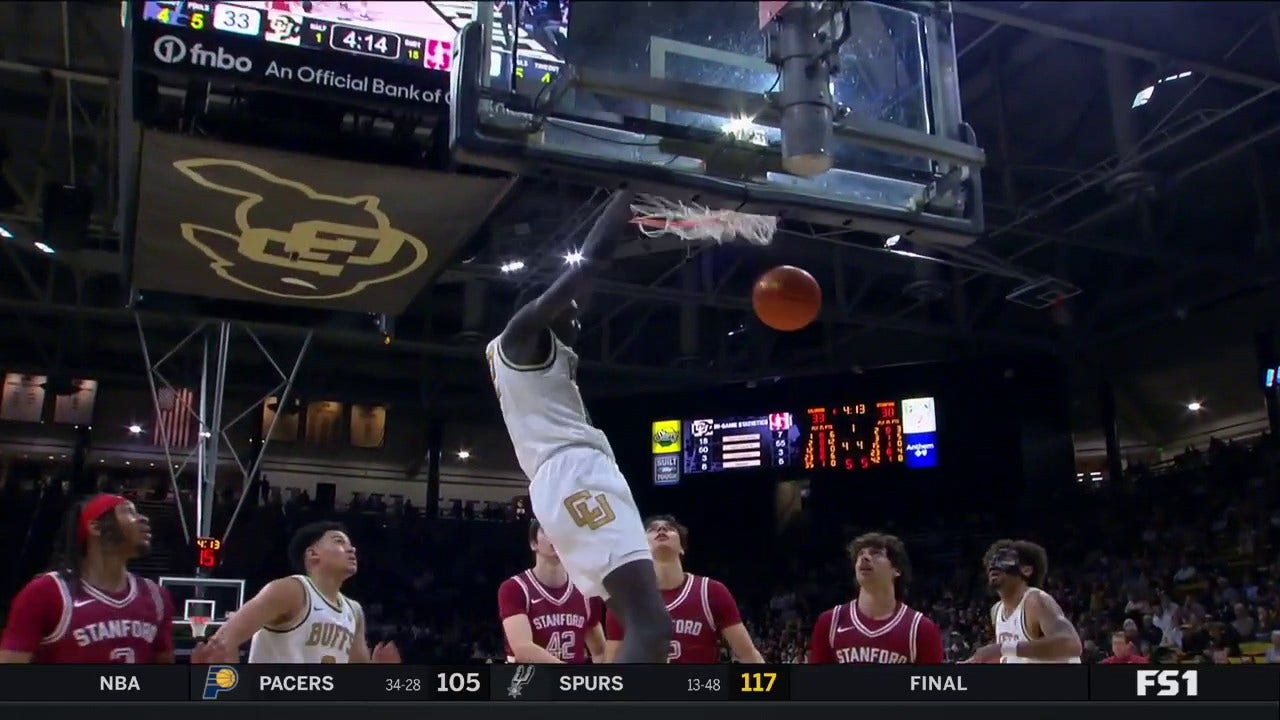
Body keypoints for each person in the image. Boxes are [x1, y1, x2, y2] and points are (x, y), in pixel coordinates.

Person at [486, 189, 672, 663]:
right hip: (575, 476)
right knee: (651, 626)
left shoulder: (533, 354)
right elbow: (584, 271)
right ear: (542, 312)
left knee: (642, 625)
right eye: (568, 312)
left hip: (569, 479)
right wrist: (627, 199)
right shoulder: (520, 336)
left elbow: (578, 292)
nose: (577, 318)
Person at [0, 494, 188, 663]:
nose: (143, 518)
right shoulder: (46, 592)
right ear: (95, 527)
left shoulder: (157, 597)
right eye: (128, 512)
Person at [205, 521, 399, 663]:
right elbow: (221, 642)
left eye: (351, 545)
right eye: (339, 541)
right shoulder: (291, 591)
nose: (352, 549)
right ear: (312, 553)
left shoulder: (354, 610)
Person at [603, 515, 763, 663]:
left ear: (682, 548)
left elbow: (747, 654)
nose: (661, 529)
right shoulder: (625, 601)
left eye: (670, 528)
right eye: (652, 529)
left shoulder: (711, 591)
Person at [807, 532, 944, 664]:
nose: (864, 558)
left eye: (876, 553)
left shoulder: (922, 629)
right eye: (860, 554)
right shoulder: (830, 622)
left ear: (896, 569)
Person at [498, 519, 607, 663]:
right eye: (548, 530)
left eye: (561, 531)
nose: (556, 535)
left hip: (571, 683)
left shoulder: (586, 589)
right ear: (533, 543)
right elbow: (523, 649)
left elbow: (600, 651)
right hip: (529, 680)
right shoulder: (514, 588)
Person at [965, 539, 1082, 664]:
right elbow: (1012, 655)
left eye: (1003, 560)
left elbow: (1071, 645)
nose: (994, 564)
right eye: (991, 561)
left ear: (1026, 570)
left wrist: (1003, 649)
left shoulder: (1035, 601)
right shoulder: (996, 610)